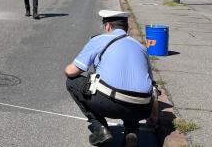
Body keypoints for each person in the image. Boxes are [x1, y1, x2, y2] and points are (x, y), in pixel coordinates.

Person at [64, 10, 156, 147]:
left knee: (72, 82)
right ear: (127, 28)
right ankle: (132, 131)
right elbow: (152, 85)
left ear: (107, 27)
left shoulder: (99, 40)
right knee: (130, 91)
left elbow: (71, 71)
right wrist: (154, 114)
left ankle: (100, 129)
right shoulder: (142, 48)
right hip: (142, 108)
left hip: (109, 104)